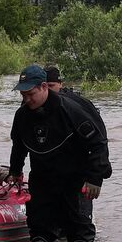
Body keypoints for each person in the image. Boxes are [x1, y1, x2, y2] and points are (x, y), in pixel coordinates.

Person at [9, 64, 111, 242]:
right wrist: (15, 172)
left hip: (74, 180)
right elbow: (18, 147)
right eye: (22, 94)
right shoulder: (22, 116)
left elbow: (98, 144)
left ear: (44, 87)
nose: (26, 99)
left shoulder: (71, 110)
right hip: (42, 180)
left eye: (30, 94)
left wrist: (95, 178)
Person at [44, 65, 107, 223]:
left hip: (80, 173)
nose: (49, 91)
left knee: (81, 222)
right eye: (45, 87)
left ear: (61, 84)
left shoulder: (77, 106)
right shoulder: (33, 107)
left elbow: (99, 141)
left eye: (52, 86)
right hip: (53, 175)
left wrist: (95, 178)